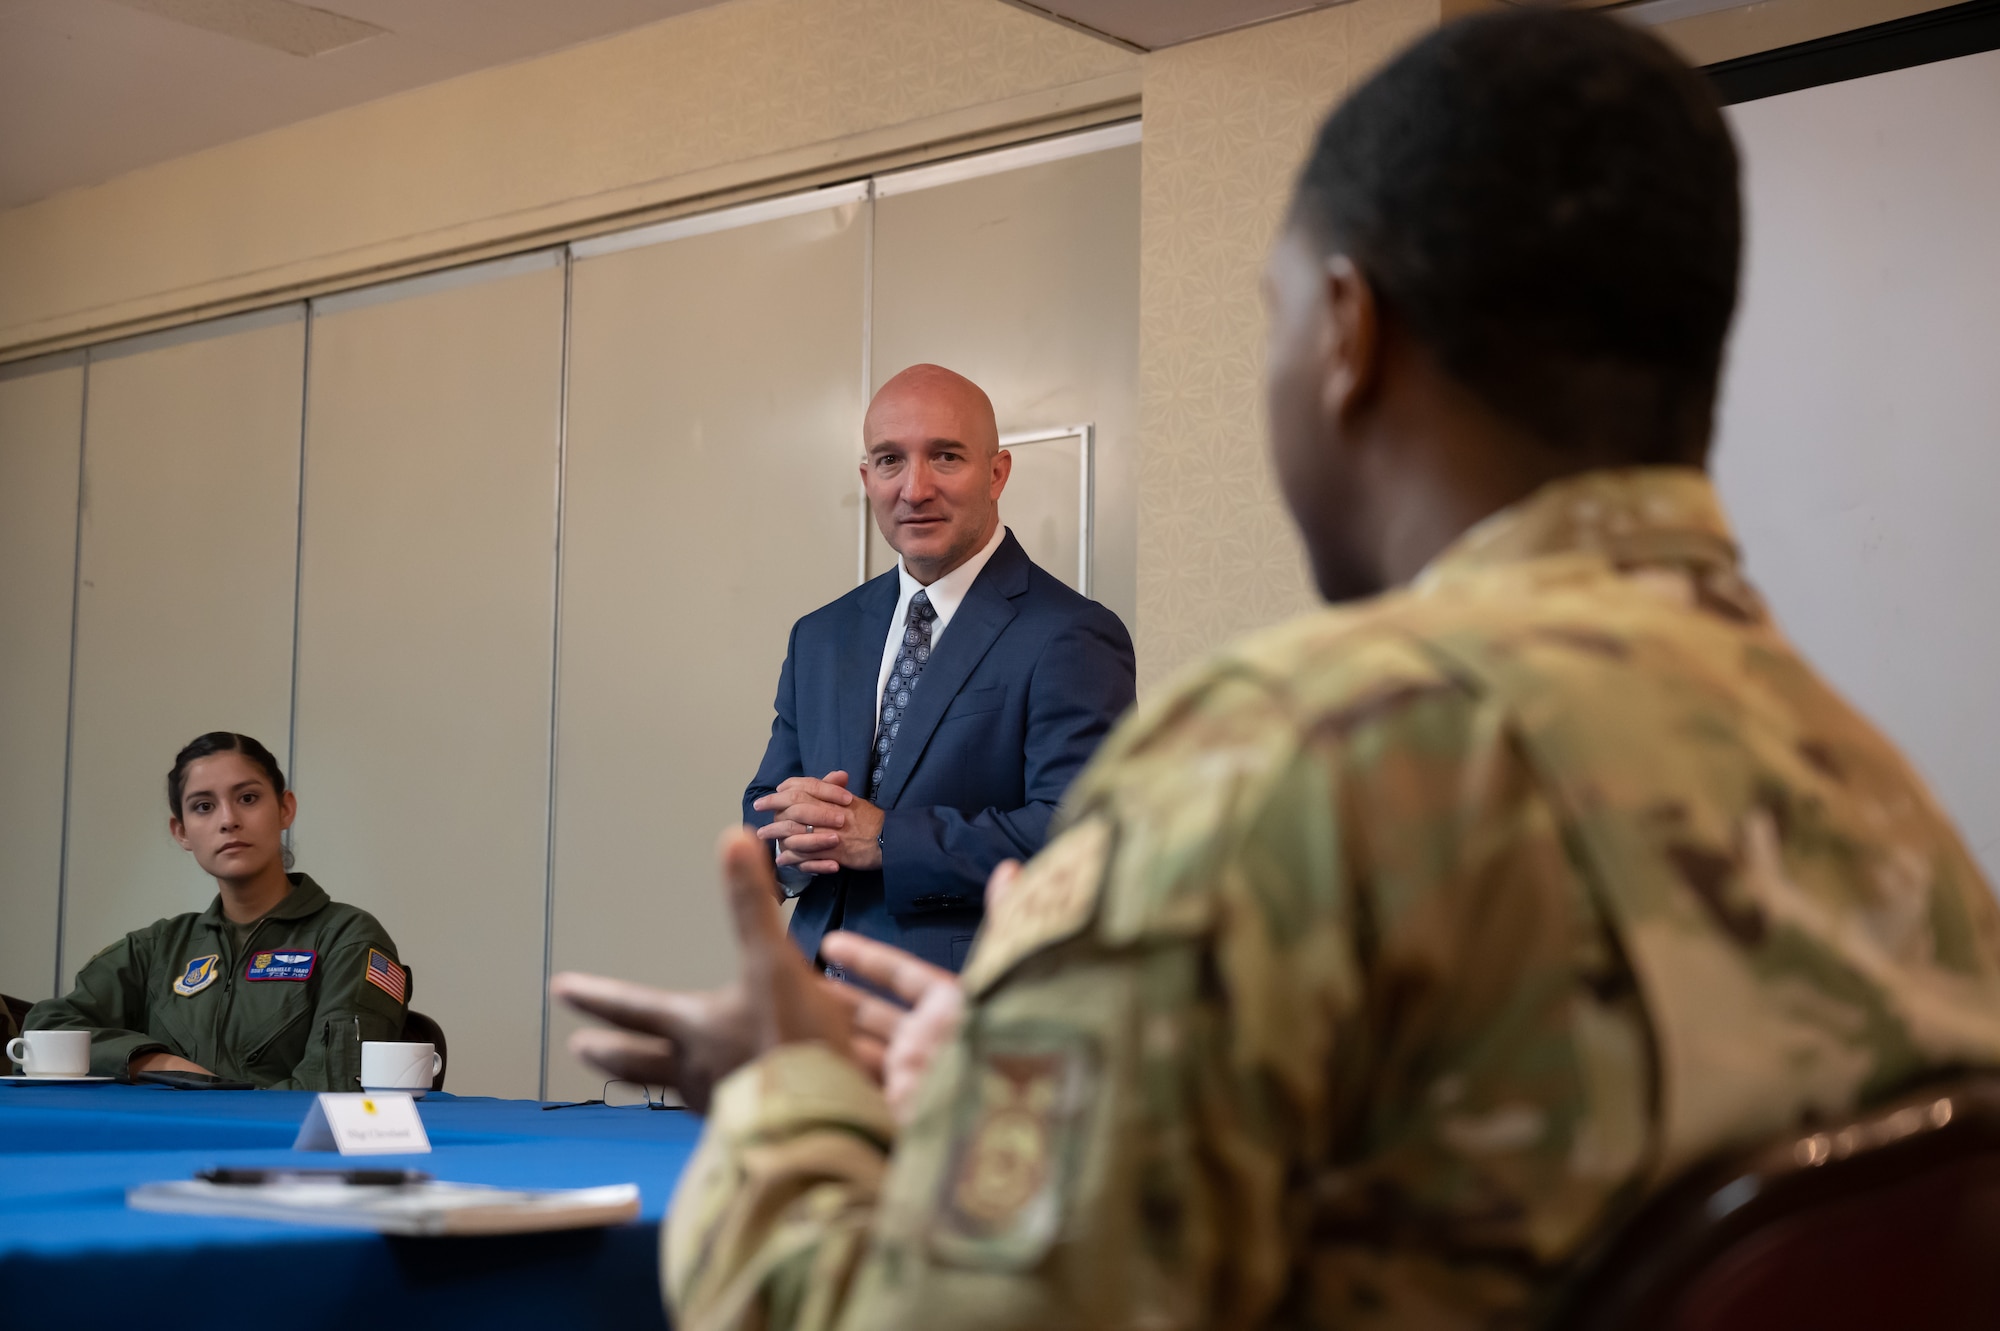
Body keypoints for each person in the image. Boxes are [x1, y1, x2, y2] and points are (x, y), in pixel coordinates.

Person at [556, 11, 2000, 1327]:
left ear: (1350, 335)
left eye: (1273, 314)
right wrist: (1047, 1066)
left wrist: (788, 1089)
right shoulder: (1901, 822)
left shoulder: (1282, 766)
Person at [745, 363, 1135, 973]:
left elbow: (1084, 838)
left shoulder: (1070, 633)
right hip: (810, 1004)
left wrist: (885, 841)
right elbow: (768, 799)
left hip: (966, 1015)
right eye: (890, 460)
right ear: (867, 476)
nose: (915, 488)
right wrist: (789, 844)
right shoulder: (821, 635)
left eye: (946, 457)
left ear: (997, 473)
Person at [28, 732, 411, 1089]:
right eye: (204, 806)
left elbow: (334, 1090)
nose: (228, 820)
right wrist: (153, 1062)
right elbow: (45, 1031)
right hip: (161, 1151)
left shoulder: (348, 938)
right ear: (181, 832)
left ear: (284, 809)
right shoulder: (159, 948)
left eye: (247, 798)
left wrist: (220, 1105)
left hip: (278, 1155)